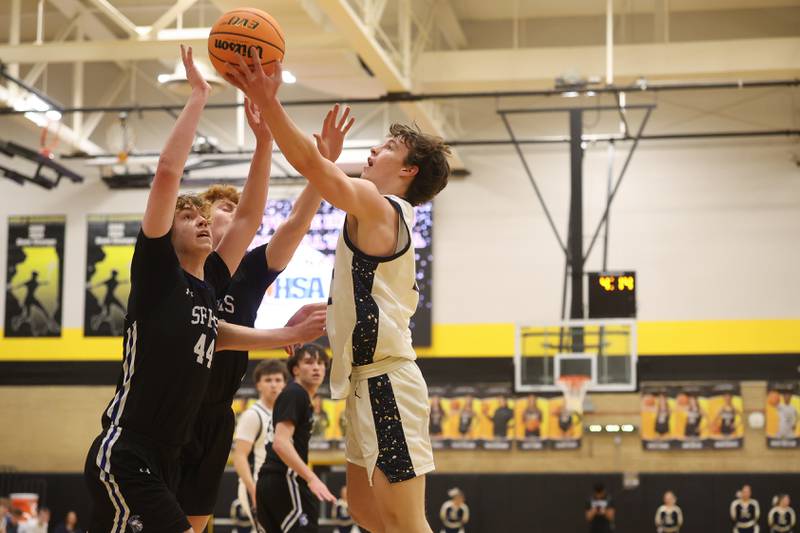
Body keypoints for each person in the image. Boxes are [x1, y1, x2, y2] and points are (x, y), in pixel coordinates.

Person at [83, 45, 325, 533]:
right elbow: (169, 174)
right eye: (187, 217)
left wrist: (263, 140)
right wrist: (199, 94)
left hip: (169, 451)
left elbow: (252, 220)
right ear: (166, 234)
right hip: (128, 449)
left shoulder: (210, 283)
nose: (199, 224)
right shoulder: (157, 276)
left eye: (200, 217)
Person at [227, 54, 451, 533]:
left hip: (387, 383)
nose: (375, 151)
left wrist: (269, 100)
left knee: (408, 524)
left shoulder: (381, 205)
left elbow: (310, 164)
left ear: (409, 170)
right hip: (365, 386)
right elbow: (375, 297)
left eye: (388, 147)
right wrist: (333, 313)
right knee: (366, 514)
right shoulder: (383, 217)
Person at [176, 98, 352, 533]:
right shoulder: (178, 271)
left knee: (197, 521)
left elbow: (293, 224)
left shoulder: (251, 271)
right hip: (172, 406)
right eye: (222, 209)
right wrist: (284, 332)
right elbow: (210, 333)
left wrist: (322, 165)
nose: (233, 216)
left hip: (217, 409)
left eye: (238, 210)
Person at [256, 344, 336, 532]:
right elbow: (280, 443)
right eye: (309, 362)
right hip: (285, 479)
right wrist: (311, 478)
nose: (316, 367)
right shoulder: (296, 393)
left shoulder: (296, 395)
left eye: (320, 363)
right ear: (295, 369)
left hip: (271, 481)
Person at [232, 360, 289, 530]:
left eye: (278, 380)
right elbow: (239, 456)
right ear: (258, 385)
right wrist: (253, 490)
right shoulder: (252, 415)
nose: (274, 385)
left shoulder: (283, 415)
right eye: (268, 380)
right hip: (257, 486)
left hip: (279, 485)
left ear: (285, 384)